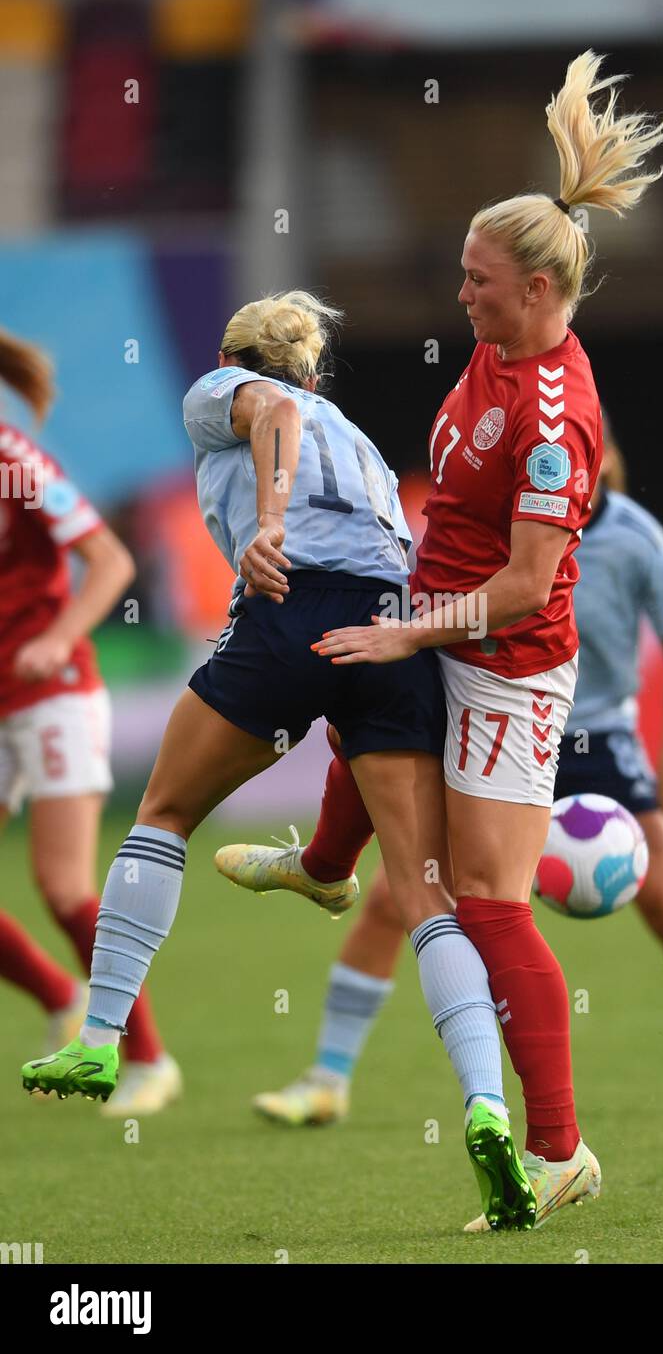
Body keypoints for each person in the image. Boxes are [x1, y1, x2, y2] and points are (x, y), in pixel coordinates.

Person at [220, 51, 663, 1228]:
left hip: (510, 669)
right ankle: (323, 868)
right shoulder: (495, 349)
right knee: (345, 669)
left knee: (484, 902)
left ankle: (561, 1150)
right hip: (444, 628)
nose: (459, 293)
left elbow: (526, 586)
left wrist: (415, 625)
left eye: (478, 281)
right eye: (463, 276)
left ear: (534, 288)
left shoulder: (553, 422)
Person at [21, 292, 537, 1233]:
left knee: (165, 812)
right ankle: (486, 1107)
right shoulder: (371, 450)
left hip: (293, 607)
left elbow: (276, 413)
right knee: (427, 894)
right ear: (314, 362)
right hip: (392, 628)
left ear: (235, 357)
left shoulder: (225, 389)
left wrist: (265, 520)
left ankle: (100, 1038)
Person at [0, 329, 180, 1116]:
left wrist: (58, 637)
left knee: (63, 885)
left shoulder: (15, 458)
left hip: (54, 691)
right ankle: (60, 998)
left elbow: (110, 559)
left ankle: (146, 1058)